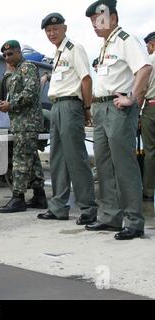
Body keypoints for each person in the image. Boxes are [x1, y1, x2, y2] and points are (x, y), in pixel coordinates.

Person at [85, 0, 153, 240]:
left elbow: (144, 68)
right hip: (101, 107)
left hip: (118, 108)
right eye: (92, 20)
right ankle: (110, 217)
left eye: (100, 18)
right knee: (103, 164)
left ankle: (134, 221)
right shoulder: (105, 45)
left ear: (113, 18)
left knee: (124, 165)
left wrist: (132, 97)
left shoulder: (125, 39)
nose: (95, 24)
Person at [38, 13, 98, 225]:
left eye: (55, 29)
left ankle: (88, 207)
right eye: (48, 31)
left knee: (76, 158)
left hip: (71, 105)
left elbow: (86, 78)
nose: (52, 34)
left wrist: (87, 107)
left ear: (65, 28)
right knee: (58, 159)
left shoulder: (74, 49)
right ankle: (58, 207)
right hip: (56, 106)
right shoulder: (57, 53)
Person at [0, 40, 47, 214]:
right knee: (32, 160)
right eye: (4, 55)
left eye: (10, 54)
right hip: (21, 122)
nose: (7, 57)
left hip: (27, 123)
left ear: (19, 52)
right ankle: (40, 195)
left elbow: (31, 93)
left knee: (20, 160)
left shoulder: (27, 68)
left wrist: (10, 105)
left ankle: (18, 198)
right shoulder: (17, 70)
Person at [142, 31, 155, 202]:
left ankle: (149, 190)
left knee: (150, 151)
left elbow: (141, 90)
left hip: (151, 107)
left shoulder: (148, 63)